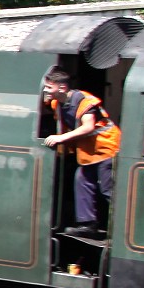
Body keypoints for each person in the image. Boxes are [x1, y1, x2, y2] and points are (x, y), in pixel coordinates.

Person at [42, 68, 122, 232]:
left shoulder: (84, 101)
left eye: (49, 87)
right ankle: (88, 224)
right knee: (82, 180)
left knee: (107, 189)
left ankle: (124, 225)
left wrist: (61, 138)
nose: (46, 90)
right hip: (89, 151)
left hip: (106, 147)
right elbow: (47, 103)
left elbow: (88, 126)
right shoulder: (57, 102)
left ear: (62, 88)